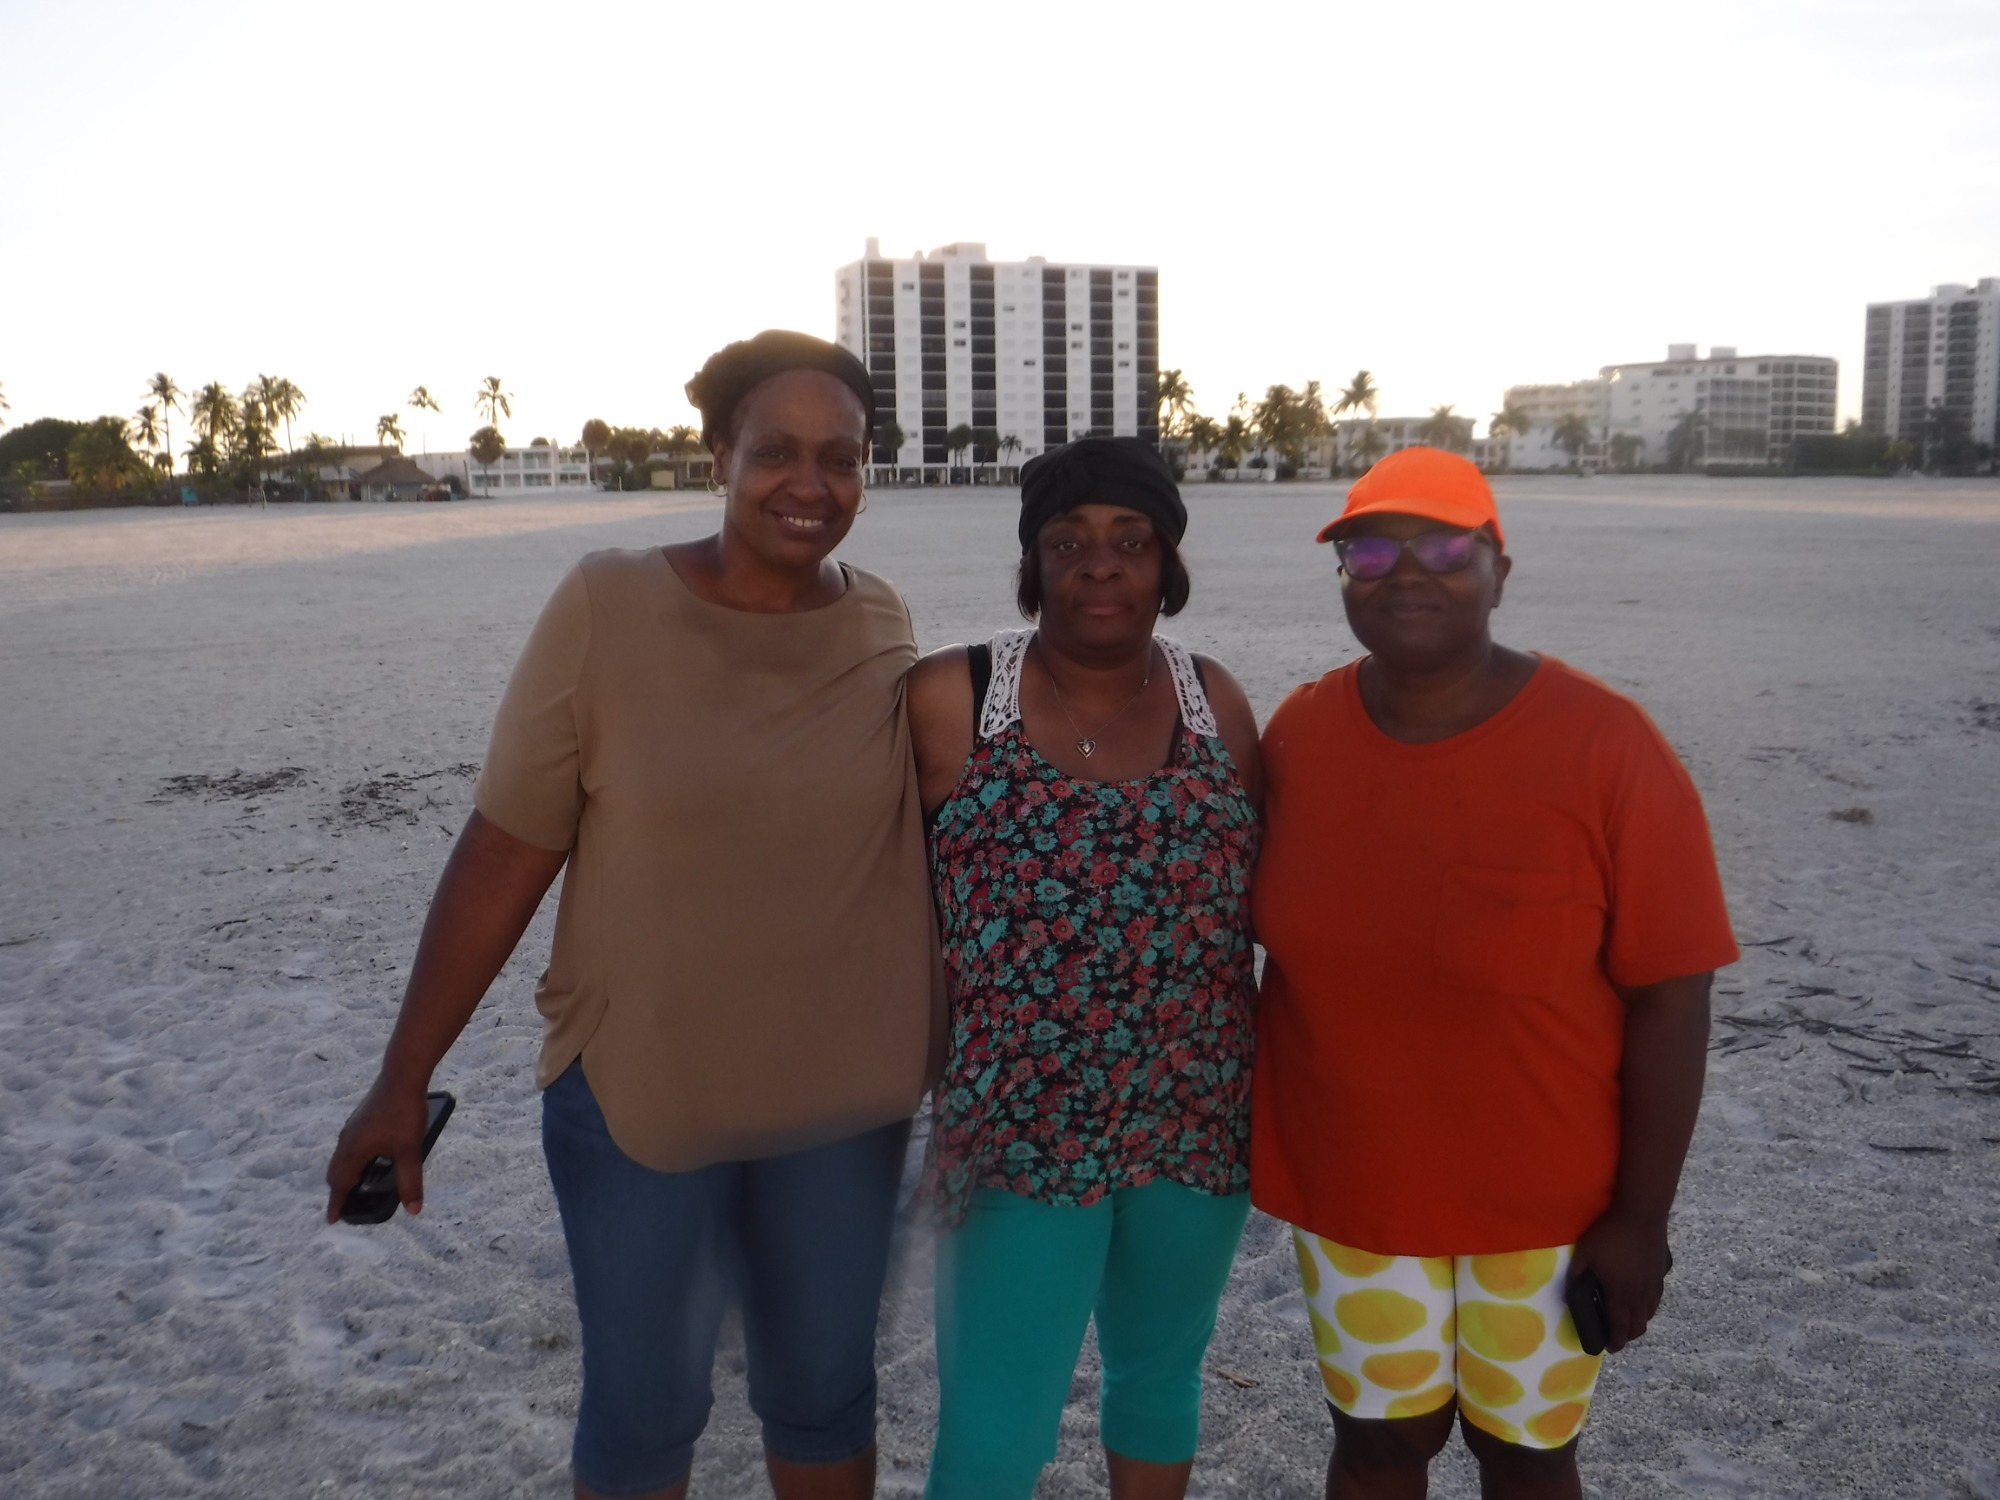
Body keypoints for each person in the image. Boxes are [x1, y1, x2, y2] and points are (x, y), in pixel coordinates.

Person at [323, 329, 943, 1500]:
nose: (810, 484)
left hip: (845, 1103)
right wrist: (403, 1076)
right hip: (641, 1099)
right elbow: (507, 848)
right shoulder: (608, 603)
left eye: (841, 456)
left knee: (824, 1398)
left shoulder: (880, 616)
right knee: (644, 1411)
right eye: (775, 451)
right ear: (718, 457)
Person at [1251, 446, 1739, 1499]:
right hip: (1355, 1196)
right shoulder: (1297, 735)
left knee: (1523, 1457)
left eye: (1443, 548)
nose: (1404, 573)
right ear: (1343, 577)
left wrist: (1641, 1218)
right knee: (1379, 1449)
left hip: (1547, 1213)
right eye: (1369, 551)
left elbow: (1672, 995)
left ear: (1498, 572)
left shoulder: (1606, 745)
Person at [904, 437, 1264, 1500]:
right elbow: (872, 893)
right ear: (1031, 565)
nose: (1100, 563)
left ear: (1167, 565)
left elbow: (1263, 894)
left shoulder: (1213, 701)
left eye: (1130, 541)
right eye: (1067, 541)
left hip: (1196, 1113)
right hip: (1016, 1124)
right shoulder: (953, 697)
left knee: (1158, 1379)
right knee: (993, 1431)